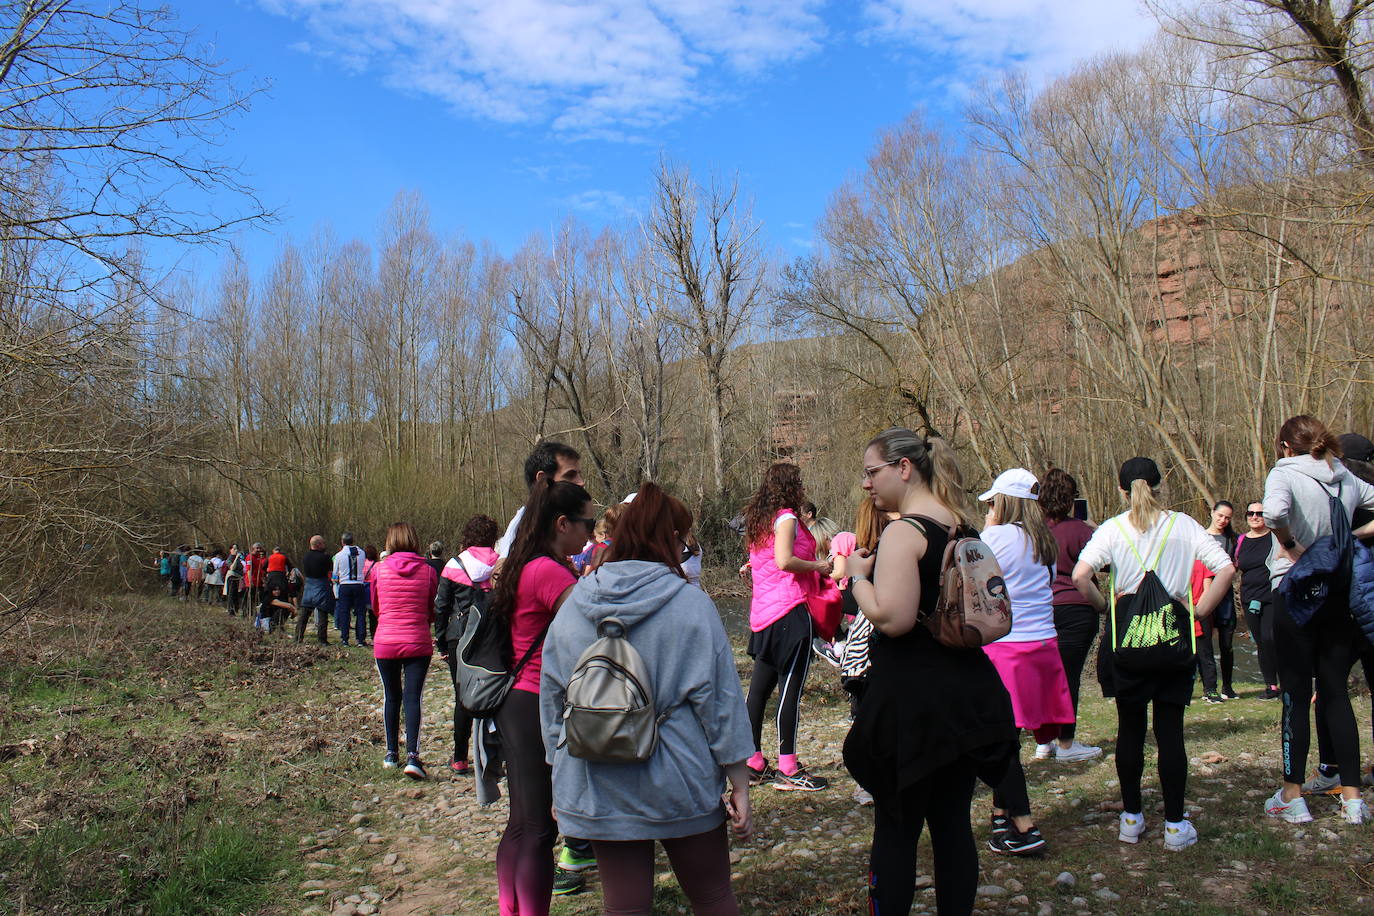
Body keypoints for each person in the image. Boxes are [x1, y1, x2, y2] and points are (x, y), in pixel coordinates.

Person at [540, 483, 753, 916]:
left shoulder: (576, 601)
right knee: (712, 897)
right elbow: (722, 702)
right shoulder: (691, 605)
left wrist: (556, 774)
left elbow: (553, 696)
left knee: (624, 906)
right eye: (681, 539)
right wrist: (739, 780)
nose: (684, 549)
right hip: (681, 778)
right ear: (665, 538)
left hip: (595, 777)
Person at [844, 429, 1017, 915]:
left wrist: (857, 578)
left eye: (871, 472)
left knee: (897, 829)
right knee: (952, 826)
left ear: (903, 468)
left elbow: (894, 619)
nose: (866, 484)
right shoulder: (963, 526)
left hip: (914, 706)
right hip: (966, 698)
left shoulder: (906, 531)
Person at [1072, 457, 1235, 850]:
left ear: (1122, 491)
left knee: (1130, 730)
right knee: (1170, 732)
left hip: (1129, 643)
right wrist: (1200, 609)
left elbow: (1079, 576)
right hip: (1174, 640)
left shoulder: (1112, 530)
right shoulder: (1184, 526)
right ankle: (1176, 826)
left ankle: (1131, 819)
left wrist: (1104, 606)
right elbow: (1226, 569)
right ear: (1161, 487)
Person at [1259, 416, 1374, 825]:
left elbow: (1273, 513)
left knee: (1294, 694)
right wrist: (1350, 541)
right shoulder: (1342, 474)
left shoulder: (1284, 472)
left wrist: (1290, 544)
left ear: (1286, 446)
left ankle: (1292, 796)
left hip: (1295, 590)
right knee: (1335, 692)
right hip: (1339, 594)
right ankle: (1354, 801)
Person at [488, 479, 594, 916]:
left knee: (520, 823)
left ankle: (509, 908)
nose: (591, 532)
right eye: (587, 523)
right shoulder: (551, 571)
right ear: (562, 523)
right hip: (535, 701)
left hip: (515, 699)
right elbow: (588, 635)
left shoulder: (523, 562)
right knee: (539, 829)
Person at [977, 468, 1076, 856]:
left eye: (992, 501)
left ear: (1003, 502)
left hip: (1007, 647)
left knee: (1000, 738)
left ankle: (1024, 825)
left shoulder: (994, 537)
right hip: (1043, 644)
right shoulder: (1043, 539)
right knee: (1010, 735)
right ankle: (1002, 814)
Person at [741, 462, 832, 791]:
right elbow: (784, 560)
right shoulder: (787, 518)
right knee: (789, 691)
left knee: (758, 693)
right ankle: (788, 769)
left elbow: (763, 561)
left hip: (763, 615)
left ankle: (753, 762)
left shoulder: (760, 521)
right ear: (792, 486)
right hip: (791, 612)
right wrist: (820, 565)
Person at [1037, 468, 1103, 763]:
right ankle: (1066, 743)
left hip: (1040, 609)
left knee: (1042, 676)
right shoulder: (1082, 531)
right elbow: (1108, 562)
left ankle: (1044, 741)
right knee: (1068, 676)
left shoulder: (1031, 530)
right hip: (1077, 609)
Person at [371, 522, 439, 779]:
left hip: (386, 639)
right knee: (413, 698)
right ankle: (413, 756)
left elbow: (375, 607)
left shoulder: (379, 569)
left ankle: (390, 753)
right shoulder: (429, 571)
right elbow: (430, 609)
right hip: (417, 639)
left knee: (391, 696)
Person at [435, 514, 499, 776]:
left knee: (463, 697)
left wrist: (440, 641)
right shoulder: (502, 562)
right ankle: (493, 756)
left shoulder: (453, 564)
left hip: (459, 636)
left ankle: (460, 757)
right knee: (496, 692)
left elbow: (441, 607)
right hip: (493, 635)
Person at [495, 441, 586, 559]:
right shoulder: (525, 530)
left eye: (579, 474)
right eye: (570, 475)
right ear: (543, 480)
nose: (581, 482)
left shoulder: (550, 525)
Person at [1233, 501, 1281, 699]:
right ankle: (1271, 686)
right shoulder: (1242, 540)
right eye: (1250, 513)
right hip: (1249, 597)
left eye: (1259, 513)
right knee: (1261, 642)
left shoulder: (1275, 537)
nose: (1254, 516)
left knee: (1272, 638)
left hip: (1272, 595)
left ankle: (1287, 681)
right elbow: (1232, 565)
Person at [1197, 501, 1239, 703]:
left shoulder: (1232, 539)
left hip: (1225, 597)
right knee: (1204, 643)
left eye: (1227, 517)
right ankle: (1208, 687)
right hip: (1202, 594)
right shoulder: (1200, 537)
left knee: (1226, 643)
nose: (1223, 520)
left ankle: (1228, 686)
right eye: (1220, 515)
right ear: (1212, 513)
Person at [333, 533, 370, 647]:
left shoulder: (339, 555)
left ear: (342, 542)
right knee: (360, 613)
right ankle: (360, 639)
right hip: (359, 585)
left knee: (344, 612)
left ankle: (345, 639)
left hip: (345, 585)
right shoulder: (362, 553)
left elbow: (335, 575)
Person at [296, 535, 334, 644]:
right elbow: (329, 572)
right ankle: (322, 639)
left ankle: (298, 637)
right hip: (321, 585)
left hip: (309, 585)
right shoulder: (325, 557)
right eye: (322, 543)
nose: (324, 545)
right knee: (323, 613)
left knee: (304, 614)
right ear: (318, 545)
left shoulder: (305, 557)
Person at [224, 545, 245, 616]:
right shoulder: (229, 559)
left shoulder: (239, 559)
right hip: (232, 578)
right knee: (231, 595)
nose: (236, 550)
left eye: (237, 549)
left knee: (236, 595)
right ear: (230, 550)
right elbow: (232, 568)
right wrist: (236, 558)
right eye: (234, 549)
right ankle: (231, 611)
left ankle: (235, 609)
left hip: (238, 578)